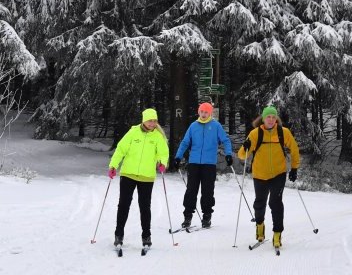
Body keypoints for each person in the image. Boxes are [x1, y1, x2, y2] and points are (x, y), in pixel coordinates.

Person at [237, 105, 300, 250]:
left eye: (273, 117)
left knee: (275, 203)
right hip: (260, 174)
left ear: (276, 118)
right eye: (268, 117)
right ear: (263, 119)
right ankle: (260, 225)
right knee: (260, 203)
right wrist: (244, 147)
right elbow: (241, 155)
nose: (270, 120)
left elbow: (294, 149)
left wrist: (294, 167)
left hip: (278, 174)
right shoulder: (255, 134)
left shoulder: (283, 132)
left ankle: (277, 234)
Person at [108, 108, 169, 249]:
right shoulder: (133, 132)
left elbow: (163, 153)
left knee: (145, 207)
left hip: (147, 177)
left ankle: (146, 236)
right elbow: (120, 149)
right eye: (150, 120)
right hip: (128, 174)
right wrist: (113, 165)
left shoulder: (158, 137)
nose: (153, 123)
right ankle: (118, 234)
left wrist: (162, 163)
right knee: (123, 205)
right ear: (144, 120)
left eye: (155, 121)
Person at [175, 101, 234, 229]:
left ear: (210, 113)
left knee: (207, 191)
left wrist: (228, 154)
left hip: (209, 164)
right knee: (191, 190)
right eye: (202, 111)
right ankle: (187, 216)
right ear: (199, 112)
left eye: (206, 112)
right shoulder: (193, 126)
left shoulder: (216, 126)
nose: (203, 114)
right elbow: (185, 142)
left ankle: (206, 216)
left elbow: (225, 140)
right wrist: (178, 157)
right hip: (194, 163)